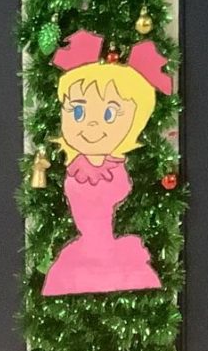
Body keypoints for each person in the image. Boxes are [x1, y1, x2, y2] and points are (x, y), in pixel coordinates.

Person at [41, 30, 171, 297]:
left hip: (101, 241)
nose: (91, 124)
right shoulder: (76, 167)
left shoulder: (115, 170)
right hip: (86, 243)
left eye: (109, 114)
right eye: (77, 110)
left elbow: (119, 190)